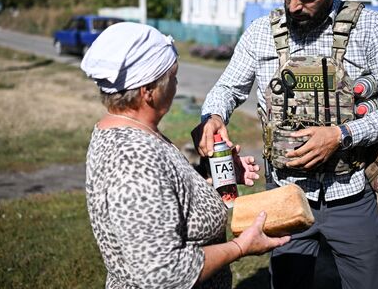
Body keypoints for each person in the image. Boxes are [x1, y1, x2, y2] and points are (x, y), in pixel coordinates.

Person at [194, 0, 378, 289]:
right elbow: (227, 88)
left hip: (351, 194)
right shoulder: (261, 33)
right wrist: (213, 116)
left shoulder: (372, 29)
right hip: (283, 195)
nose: (293, 5)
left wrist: (341, 135)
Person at [80, 22, 290, 289]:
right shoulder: (133, 160)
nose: (176, 84)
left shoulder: (128, 130)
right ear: (148, 92)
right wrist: (240, 246)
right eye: (173, 77)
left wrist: (218, 178)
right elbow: (165, 274)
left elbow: (165, 197)